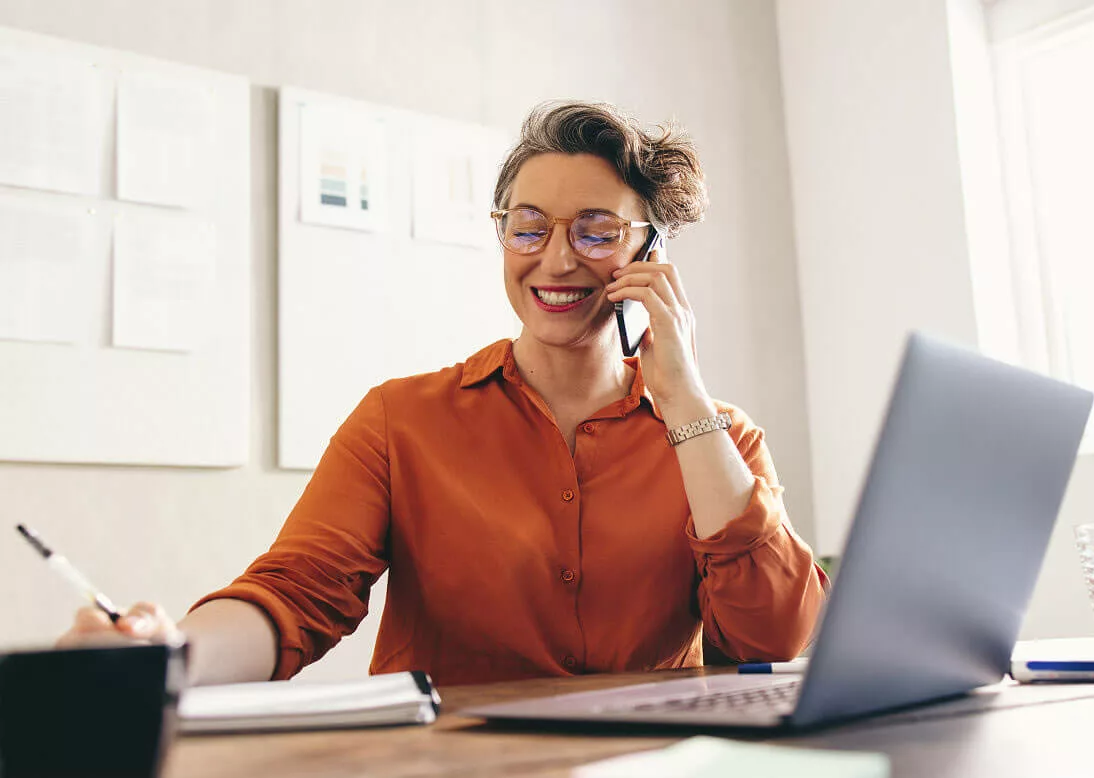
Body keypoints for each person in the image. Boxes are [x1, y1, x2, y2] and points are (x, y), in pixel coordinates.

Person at [60, 101, 829, 687]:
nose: (556, 260)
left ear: (649, 251)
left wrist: (686, 403)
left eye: (596, 231)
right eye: (528, 228)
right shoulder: (402, 421)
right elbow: (297, 594)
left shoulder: (720, 438)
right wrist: (170, 660)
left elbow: (777, 640)